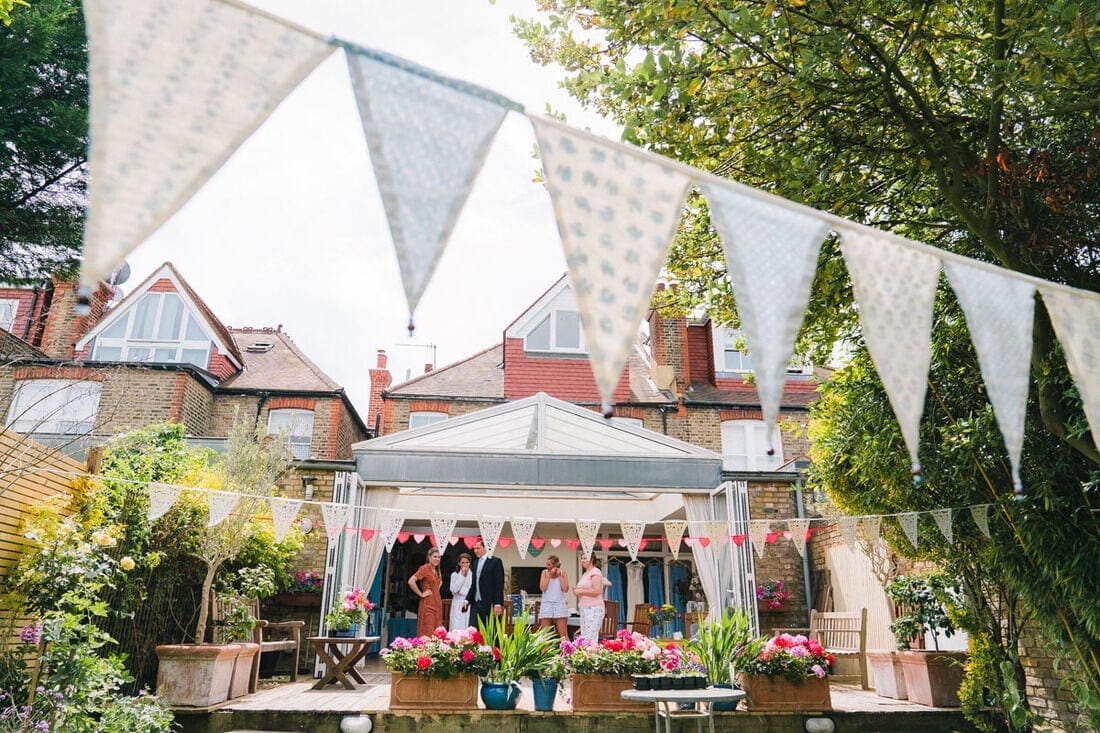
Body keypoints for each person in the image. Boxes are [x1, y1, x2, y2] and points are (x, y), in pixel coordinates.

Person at [408, 547, 443, 637]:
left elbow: (439, 584)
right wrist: (421, 594)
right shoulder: (424, 568)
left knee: (437, 632)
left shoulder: (437, 570)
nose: (437, 559)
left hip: (437, 604)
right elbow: (411, 581)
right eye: (435, 557)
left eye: (439, 557)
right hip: (428, 604)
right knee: (428, 631)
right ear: (429, 557)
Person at [471, 538, 505, 629]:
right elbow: (474, 583)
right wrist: (467, 600)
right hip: (476, 602)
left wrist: (498, 603)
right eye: (474, 548)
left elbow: (499, 583)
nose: (475, 551)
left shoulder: (495, 562)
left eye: (478, 548)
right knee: (473, 628)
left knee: (490, 629)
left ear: (485, 548)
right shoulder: (475, 563)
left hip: (489, 602)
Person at [573, 554, 606, 642]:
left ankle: (591, 654)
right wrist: (577, 591)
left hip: (593, 608)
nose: (582, 561)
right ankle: (586, 654)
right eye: (581, 558)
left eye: (585, 558)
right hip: (584, 608)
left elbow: (597, 591)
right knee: (585, 637)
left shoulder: (595, 572)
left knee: (590, 637)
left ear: (591, 559)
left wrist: (581, 591)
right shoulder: (585, 574)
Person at [537, 555, 570, 638]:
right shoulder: (544, 573)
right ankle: (545, 651)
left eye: (549, 565)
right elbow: (542, 588)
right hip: (547, 604)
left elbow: (565, 589)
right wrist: (549, 575)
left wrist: (559, 576)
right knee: (545, 634)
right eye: (546, 564)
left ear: (555, 565)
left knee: (563, 634)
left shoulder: (563, 573)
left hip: (559, 604)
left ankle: (566, 649)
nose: (547, 567)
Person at [449, 552, 474, 631]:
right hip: (457, 602)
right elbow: (454, 590)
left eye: (467, 562)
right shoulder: (455, 575)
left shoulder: (473, 575)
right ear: (459, 563)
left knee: (467, 626)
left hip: (468, 602)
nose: (465, 564)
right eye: (463, 562)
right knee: (456, 626)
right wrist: (462, 575)